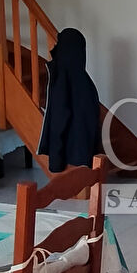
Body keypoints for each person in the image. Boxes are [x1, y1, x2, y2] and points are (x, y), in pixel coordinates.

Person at [38, 28, 101, 172]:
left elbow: (59, 119)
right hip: (84, 154)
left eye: (58, 44)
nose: (55, 47)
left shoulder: (62, 78)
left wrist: (55, 161)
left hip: (69, 157)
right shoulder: (85, 80)